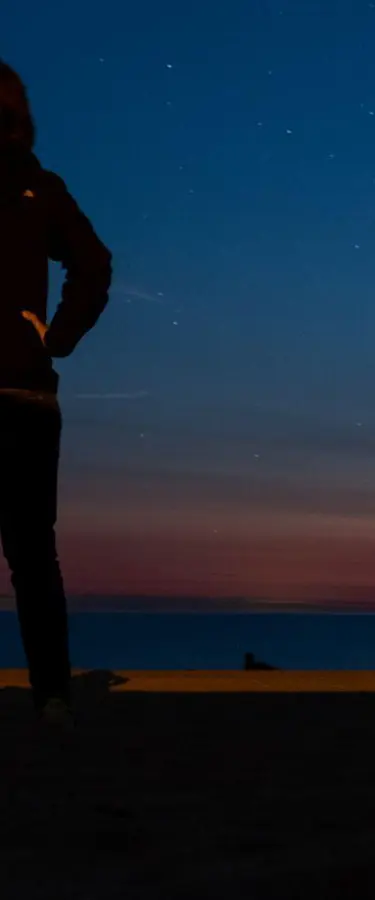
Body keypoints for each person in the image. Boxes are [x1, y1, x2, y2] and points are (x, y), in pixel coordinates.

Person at [0, 59, 113, 725]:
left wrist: (56, 339)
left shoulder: (38, 189)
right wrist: (56, 339)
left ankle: (52, 695)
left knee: (33, 555)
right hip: (27, 395)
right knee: (33, 556)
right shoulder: (39, 187)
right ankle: (52, 697)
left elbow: (93, 265)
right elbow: (93, 265)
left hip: (23, 393)